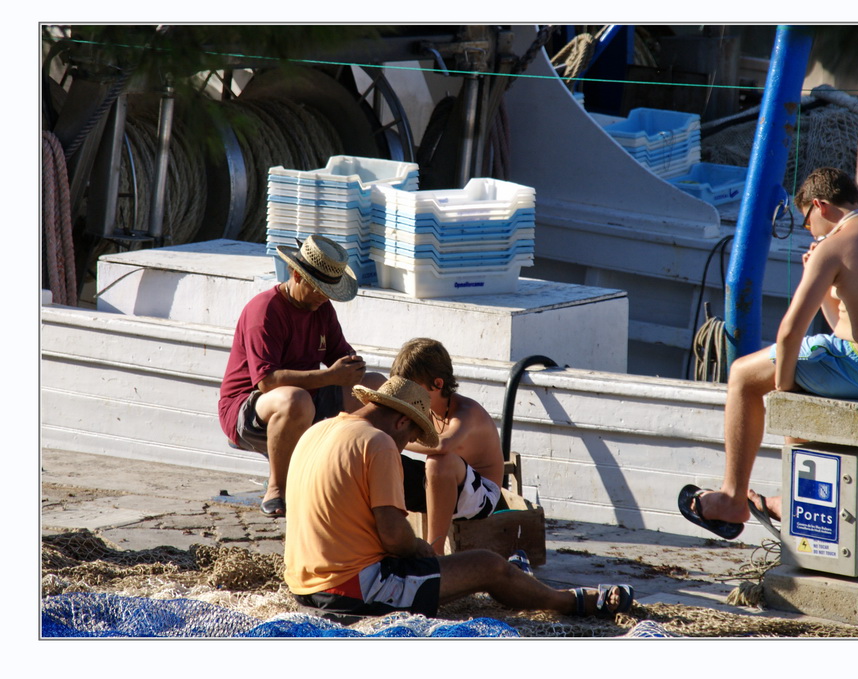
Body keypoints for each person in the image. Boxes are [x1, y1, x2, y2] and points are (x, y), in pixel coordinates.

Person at [678, 167, 858, 539]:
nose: (808, 229)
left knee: (744, 376)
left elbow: (790, 331)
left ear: (819, 206)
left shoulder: (834, 245)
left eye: (806, 220)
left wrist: (782, 389)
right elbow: (845, 325)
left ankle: (732, 499)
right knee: (802, 368)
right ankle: (792, 501)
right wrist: (822, 283)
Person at [283, 375, 634, 619]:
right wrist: (419, 549)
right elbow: (392, 534)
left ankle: (522, 583)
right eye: (412, 437)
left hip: (303, 583)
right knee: (488, 565)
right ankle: (572, 603)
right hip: (352, 591)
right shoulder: (378, 443)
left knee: (462, 569)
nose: (406, 446)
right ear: (402, 422)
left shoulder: (319, 429)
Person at [218, 235, 382, 519]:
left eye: (329, 290)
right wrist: (331, 375)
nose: (324, 296)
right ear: (296, 275)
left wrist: (353, 368)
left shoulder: (321, 308)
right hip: (247, 407)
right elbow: (266, 382)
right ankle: (277, 488)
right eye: (319, 288)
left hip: (309, 398)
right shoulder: (265, 310)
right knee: (296, 400)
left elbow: (339, 356)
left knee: (376, 386)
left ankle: (357, 471)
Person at [389, 338, 504, 555]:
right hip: (441, 491)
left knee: (438, 462)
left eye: (413, 389)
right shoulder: (424, 408)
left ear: (438, 384)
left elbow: (444, 444)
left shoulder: (467, 411)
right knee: (381, 457)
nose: (408, 396)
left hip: (481, 499)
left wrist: (397, 438)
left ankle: (435, 552)